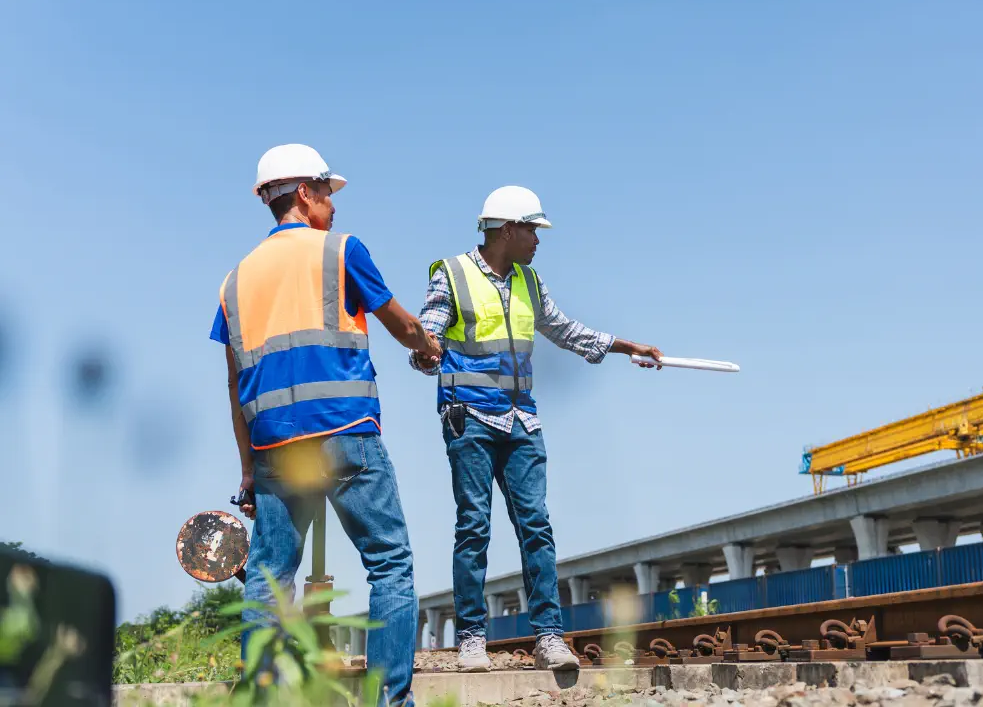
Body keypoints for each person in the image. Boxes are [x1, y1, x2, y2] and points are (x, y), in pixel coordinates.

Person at [212, 144, 441, 705]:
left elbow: (233, 384)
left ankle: (263, 700)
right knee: (389, 563)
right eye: (328, 194)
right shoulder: (341, 250)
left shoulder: (234, 281)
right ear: (306, 193)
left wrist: (247, 469)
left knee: (270, 582)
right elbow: (400, 324)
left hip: (273, 448)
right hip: (345, 434)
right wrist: (429, 347)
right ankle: (391, 701)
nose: (334, 207)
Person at [410, 185, 663, 672]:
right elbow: (429, 331)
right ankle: (471, 639)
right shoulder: (453, 274)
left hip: (522, 419)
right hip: (470, 416)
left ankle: (549, 637)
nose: (538, 239)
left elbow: (566, 330)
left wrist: (627, 346)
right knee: (473, 527)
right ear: (507, 229)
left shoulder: (529, 281)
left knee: (536, 527)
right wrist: (425, 353)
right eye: (532, 229)